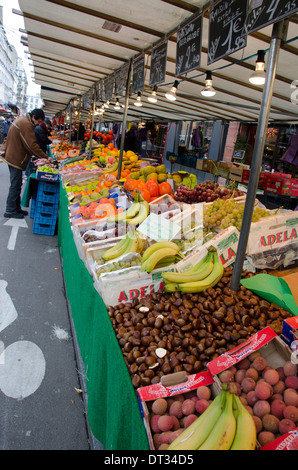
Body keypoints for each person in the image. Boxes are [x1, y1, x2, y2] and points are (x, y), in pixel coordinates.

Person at [1, 108, 51, 219]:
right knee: (15, 185)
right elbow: (31, 145)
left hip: (14, 156)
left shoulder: (22, 120)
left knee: (17, 184)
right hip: (16, 158)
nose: (38, 124)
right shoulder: (26, 124)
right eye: (38, 121)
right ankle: (10, 210)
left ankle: (16, 208)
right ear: (34, 117)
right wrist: (45, 157)